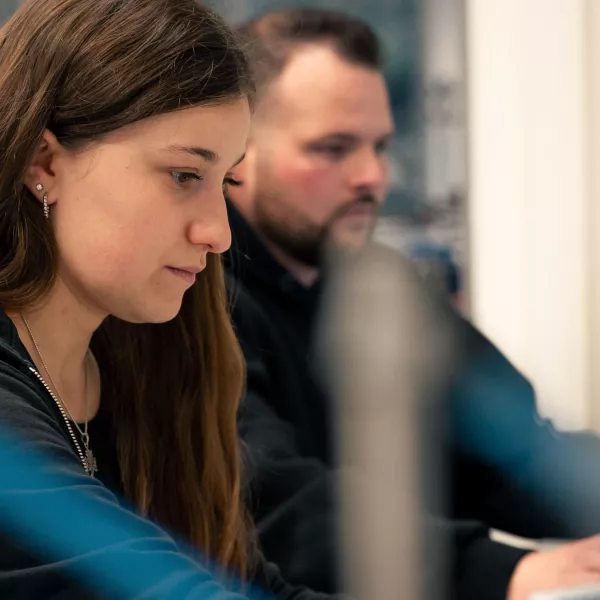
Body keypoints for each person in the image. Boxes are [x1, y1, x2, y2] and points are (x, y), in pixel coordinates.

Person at [226, 7, 600, 600]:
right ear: (234, 153)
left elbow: (513, 451)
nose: (372, 175)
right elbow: (268, 501)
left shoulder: (383, 288)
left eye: (380, 146)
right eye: (333, 148)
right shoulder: (190, 299)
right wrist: (502, 571)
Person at [0, 1, 339, 599]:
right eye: (185, 175)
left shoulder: (149, 352)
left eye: (226, 182)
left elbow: (250, 583)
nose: (219, 232)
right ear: (42, 162)